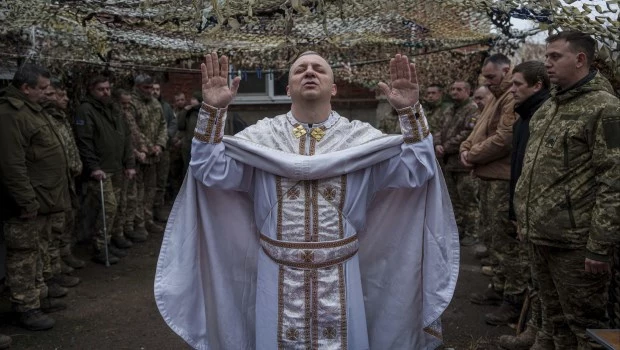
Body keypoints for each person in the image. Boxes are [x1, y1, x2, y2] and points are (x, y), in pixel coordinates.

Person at [155, 52, 459, 349]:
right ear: (288, 88)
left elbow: (418, 169)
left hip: (342, 271)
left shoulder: (362, 140)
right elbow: (209, 170)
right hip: (275, 273)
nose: (310, 72)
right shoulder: (260, 138)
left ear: (334, 87)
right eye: (300, 69)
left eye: (319, 69)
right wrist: (212, 111)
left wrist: (410, 112)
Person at [515, 31, 619, 349]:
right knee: (554, 322)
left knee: (585, 328)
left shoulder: (607, 109)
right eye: (546, 56)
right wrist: (523, 218)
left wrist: (600, 245)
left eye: (555, 56)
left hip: (575, 244)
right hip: (539, 234)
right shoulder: (547, 109)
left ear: (580, 59)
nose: (547, 63)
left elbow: (614, 180)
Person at [0, 63, 69, 330]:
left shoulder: (32, 111)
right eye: (41, 89)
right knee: (24, 256)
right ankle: (25, 307)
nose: (46, 93)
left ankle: (38, 297)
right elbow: (11, 164)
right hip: (26, 203)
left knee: (37, 252)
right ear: (25, 88)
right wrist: (26, 201)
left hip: (43, 199)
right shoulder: (10, 115)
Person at [462, 54, 529, 327]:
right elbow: (479, 129)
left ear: (506, 70)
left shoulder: (510, 98)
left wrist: (472, 154)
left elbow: (504, 138)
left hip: (501, 179)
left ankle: (512, 299)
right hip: (489, 176)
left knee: (505, 243)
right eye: (485, 77)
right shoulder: (495, 97)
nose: (487, 82)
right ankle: (500, 287)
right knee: (493, 237)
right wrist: (467, 148)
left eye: (491, 77)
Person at [498, 61, 551, 350]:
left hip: (545, 214)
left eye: (518, 84)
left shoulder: (542, 116)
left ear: (537, 85)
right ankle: (535, 330)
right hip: (525, 209)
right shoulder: (525, 118)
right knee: (537, 277)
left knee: (546, 281)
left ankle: (541, 333)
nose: (512, 89)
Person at [74, 75, 136, 264]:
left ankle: (111, 239)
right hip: (101, 169)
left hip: (116, 166)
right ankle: (100, 245)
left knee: (117, 205)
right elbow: (84, 141)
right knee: (107, 207)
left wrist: (129, 163)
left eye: (108, 88)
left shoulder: (113, 108)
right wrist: (93, 167)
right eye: (101, 89)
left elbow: (125, 136)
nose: (106, 92)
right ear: (92, 89)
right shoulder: (86, 110)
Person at [41, 81, 83, 290]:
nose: (65, 99)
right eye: (60, 95)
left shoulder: (60, 118)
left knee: (66, 221)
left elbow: (69, 146)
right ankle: (52, 272)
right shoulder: (44, 119)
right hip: (51, 184)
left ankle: (63, 259)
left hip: (67, 179)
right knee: (53, 228)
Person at [434, 80, 480, 247]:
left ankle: (472, 233)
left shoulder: (472, 110)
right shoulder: (449, 110)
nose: (454, 92)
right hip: (448, 163)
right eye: (452, 89)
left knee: (468, 199)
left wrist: (446, 147)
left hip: (463, 164)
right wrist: (438, 143)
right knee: (454, 201)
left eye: (459, 89)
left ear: (468, 91)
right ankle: (459, 230)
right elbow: (438, 129)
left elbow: (468, 133)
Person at [131, 74, 167, 238]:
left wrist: (159, 144)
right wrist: (145, 146)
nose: (150, 91)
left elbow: (162, 125)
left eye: (152, 88)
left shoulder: (155, 103)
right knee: (138, 191)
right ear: (138, 87)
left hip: (154, 155)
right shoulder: (132, 104)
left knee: (151, 189)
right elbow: (132, 129)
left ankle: (148, 218)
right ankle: (138, 223)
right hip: (140, 154)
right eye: (146, 88)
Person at [152, 82, 177, 221]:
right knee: (148, 184)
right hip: (148, 150)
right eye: (153, 89)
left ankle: (158, 210)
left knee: (161, 182)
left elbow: (174, 123)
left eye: (157, 89)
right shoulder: (144, 105)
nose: (155, 91)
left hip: (164, 150)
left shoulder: (166, 107)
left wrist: (165, 137)